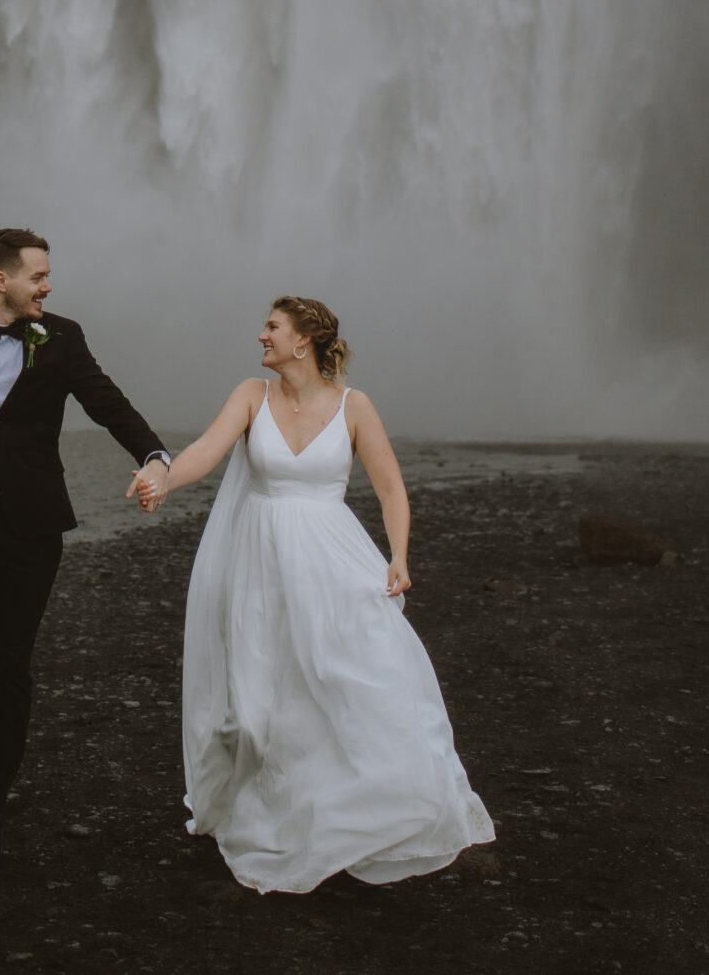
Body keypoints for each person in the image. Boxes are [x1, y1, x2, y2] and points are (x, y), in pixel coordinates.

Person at [130, 295, 493, 894]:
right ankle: (271, 811)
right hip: (260, 569)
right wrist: (163, 477)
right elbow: (205, 451)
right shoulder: (251, 395)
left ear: (304, 341)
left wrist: (399, 556)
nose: (261, 337)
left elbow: (391, 489)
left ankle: (359, 810)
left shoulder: (355, 406)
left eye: (272, 328)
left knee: (349, 681)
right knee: (255, 707)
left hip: (333, 565)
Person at [0, 228, 170, 861]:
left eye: (47, 277)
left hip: (33, 526)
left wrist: (154, 456)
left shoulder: (63, 337)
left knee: (11, 664)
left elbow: (107, 403)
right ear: (1, 280)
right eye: (38, 277)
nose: (49, 286)